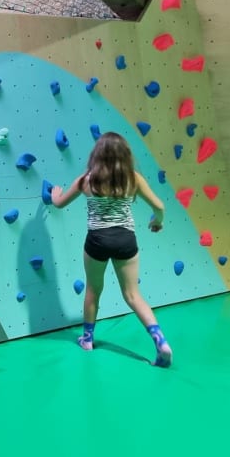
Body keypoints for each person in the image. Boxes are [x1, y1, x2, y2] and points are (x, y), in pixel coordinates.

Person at [50, 131, 172, 367]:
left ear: (97, 154)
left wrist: (55, 196)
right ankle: (160, 341)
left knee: (93, 291)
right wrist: (157, 222)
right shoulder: (133, 179)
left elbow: (60, 203)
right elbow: (159, 207)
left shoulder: (87, 180)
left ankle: (87, 340)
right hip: (125, 240)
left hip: (97, 240)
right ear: (125, 155)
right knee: (133, 295)